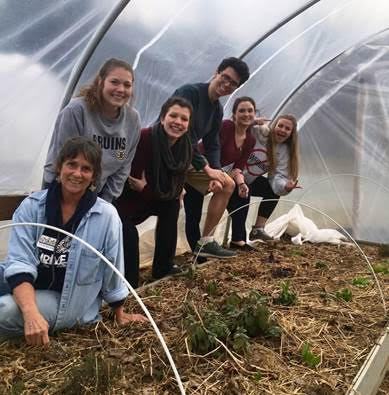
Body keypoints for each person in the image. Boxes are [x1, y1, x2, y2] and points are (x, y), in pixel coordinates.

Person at [0, 137, 146, 346]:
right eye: (71, 164)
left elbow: (112, 268)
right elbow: (20, 262)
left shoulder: (105, 216)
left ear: (94, 176)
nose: (77, 174)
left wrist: (119, 313)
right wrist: (31, 313)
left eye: (86, 169)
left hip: (68, 298)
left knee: (4, 311)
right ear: (59, 168)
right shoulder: (32, 207)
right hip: (32, 282)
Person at [174, 57, 250, 259]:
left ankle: (206, 241)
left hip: (190, 159)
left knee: (227, 184)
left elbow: (212, 144)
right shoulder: (190, 93)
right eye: (225, 78)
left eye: (233, 84)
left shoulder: (217, 109)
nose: (226, 85)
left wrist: (216, 172)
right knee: (173, 208)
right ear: (217, 72)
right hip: (169, 153)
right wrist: (207, 169)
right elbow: (184, 135)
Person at [114, 97, 193, 288]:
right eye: (173, 115)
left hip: (150, 195)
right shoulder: (143, 137)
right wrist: (151, 190)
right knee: (128, 232)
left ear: (189, 125)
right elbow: (131, 180)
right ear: (163, 117)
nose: (178, 122)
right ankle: (130, 284)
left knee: (172, 206)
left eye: (184, 119)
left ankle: (162, 267)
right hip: (126, 201)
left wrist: (161, 189)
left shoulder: (185, 147)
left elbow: (172, 182)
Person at [43, 58, 141, 203]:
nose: (121, 89)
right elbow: (62, 159)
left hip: (99, 197)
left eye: (127, 85)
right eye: (114, 82)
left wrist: (105, 203)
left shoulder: (132, 120)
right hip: (63, 191)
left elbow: (123, 165)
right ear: (100, 81)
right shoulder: (77, 111)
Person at [185, 96, 256, 253]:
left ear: (255, 114)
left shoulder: (250, 140)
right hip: (196, 166)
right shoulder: (226, 127)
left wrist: (242, 183)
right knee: (193, 213)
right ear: (234, 115)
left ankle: (232, 240)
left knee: (239, 191)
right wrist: (215, 175)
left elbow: (238, 168)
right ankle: (202, 247)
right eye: (242, 110)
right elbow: (212, 151)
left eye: (250, 111)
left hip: (212, 173)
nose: (246, 114)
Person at [227, 114, 300, 246]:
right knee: (243, 201)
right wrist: (252, 121)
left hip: (248, 181)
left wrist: (285, 186)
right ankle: (238, 240)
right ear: (274, 126)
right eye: (280, 125)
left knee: (273, 190)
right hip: (230, 176)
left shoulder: (284, 151)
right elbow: (233, 126)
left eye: (287, 128)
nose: (282, 130)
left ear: (291, 133)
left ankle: (258, 229)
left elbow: (278, 176)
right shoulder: (259, 132)